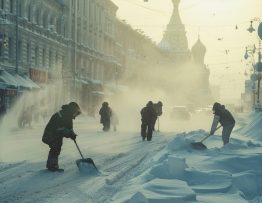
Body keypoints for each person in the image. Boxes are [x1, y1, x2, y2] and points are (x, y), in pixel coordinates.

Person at [42, 102, 81, 171]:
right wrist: (69, 134)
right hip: (49, 135)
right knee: (55, 147)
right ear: (72, 110)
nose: (75, 116)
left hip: (56, 136)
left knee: (57, 147)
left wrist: (72, 134)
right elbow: (59, 129)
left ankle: (51, 165)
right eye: (75, 113)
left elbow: (70, 129)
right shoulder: (60, 115)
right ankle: (52, 166)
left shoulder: (68, 117)